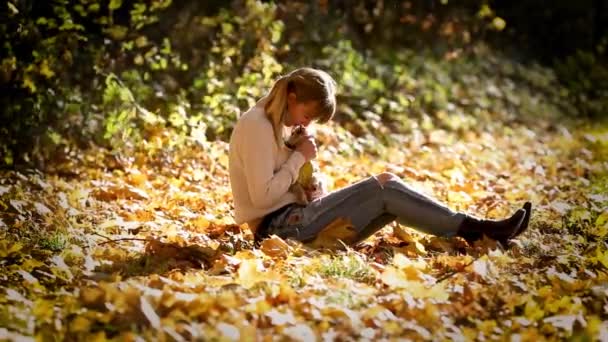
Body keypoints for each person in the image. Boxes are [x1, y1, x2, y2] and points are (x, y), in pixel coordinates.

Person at [228, 67, 532, 247]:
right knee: (382, 186)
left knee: (388, 187)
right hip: (276, 230)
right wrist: (298, 159)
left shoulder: (282, 126)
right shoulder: (256, 125)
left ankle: (480, 231)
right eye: (307, 115)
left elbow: (292, 187)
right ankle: (481, 231)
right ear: (292, 97)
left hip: (296, 219)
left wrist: (310, 180)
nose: (306, 124)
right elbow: (262, 197)